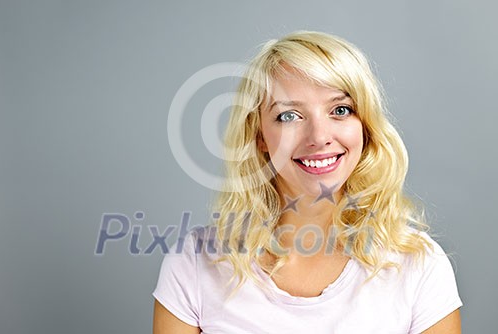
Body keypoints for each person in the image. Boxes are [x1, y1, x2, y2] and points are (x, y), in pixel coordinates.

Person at [153, 31, 462, 333]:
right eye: (289, 116)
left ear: (365, 126)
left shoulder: (419, 266)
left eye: (340, 110)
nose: (319, 137)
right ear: (259, 136)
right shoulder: (194, 262)